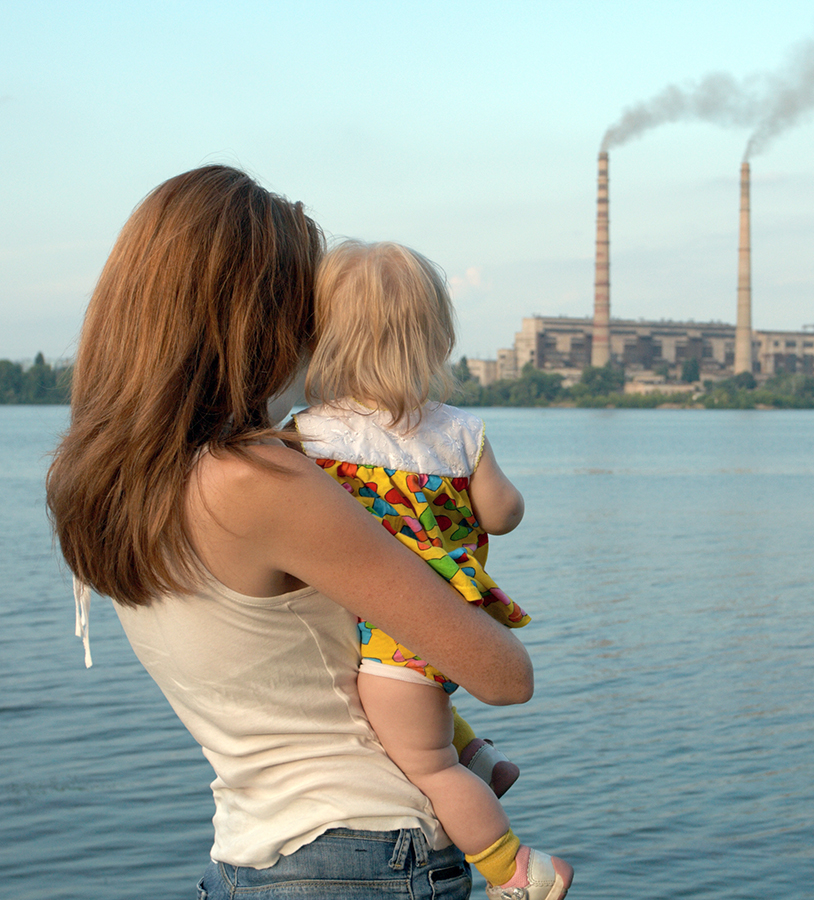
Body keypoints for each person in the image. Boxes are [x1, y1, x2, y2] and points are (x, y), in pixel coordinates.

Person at [46, 166, 536, 900]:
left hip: (249, 857)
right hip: (365, 855)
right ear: (259, 320)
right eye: (307, 310)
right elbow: (504, 675)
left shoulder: (112, 485)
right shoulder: (259, 481)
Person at [294, 240, 574, 900]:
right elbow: (502, 514)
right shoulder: (461, 434)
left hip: (393, 630)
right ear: (436, 336)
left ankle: (517, 869)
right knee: (419, 718)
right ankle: (483, 757)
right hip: (451, 620)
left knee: (427, 765)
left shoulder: (307, 437)